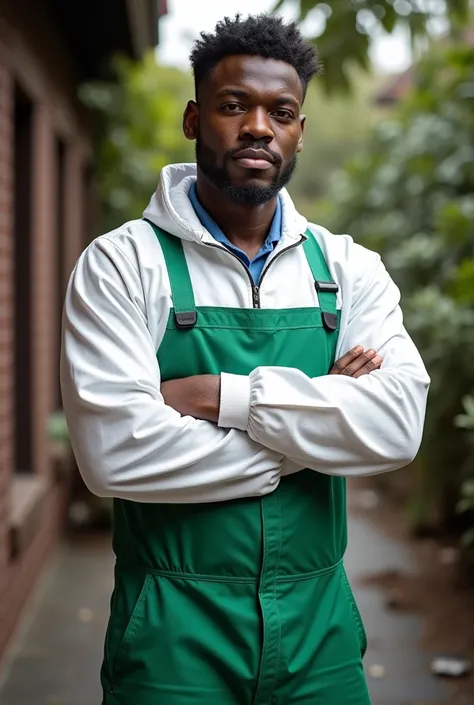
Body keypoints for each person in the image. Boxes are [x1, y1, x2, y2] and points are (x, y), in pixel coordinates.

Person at [60, 13, 430, 705]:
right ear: (195, 119)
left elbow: (397, 425)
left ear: (299, 132)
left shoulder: (349, 269)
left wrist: (216, 398)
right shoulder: (122, 264)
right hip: (172, 630)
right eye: (235, 106)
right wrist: (317, 429)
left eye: (281, 112)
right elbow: (115, 454)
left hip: (320, 629)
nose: (259, 126)